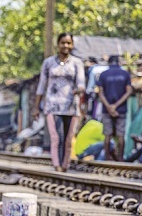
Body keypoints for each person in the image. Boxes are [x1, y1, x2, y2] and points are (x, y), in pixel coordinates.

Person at [34, 33, 85, 172]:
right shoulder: (48, 63)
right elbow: (41, 85)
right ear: (58, 44)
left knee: (68, 139)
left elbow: (81, 83)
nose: (66, 46)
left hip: (71, 106)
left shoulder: (77, 63)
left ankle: (65, 165)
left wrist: (79, 90)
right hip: (52, 105)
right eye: (63, 43)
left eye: (68, 43)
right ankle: (57, 165)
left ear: (72, 45)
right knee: (57, 137)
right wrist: (36, 107)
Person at [97, 55, 133, 161]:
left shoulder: (103, 75)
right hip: (121, 109)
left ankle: (107, 159)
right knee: (120, 135)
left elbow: (100, 93)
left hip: (106, 110)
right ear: (119, 62)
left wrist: (109, 107)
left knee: (107, 134)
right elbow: (129, 91)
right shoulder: (125, 74)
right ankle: (120, 159)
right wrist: (116, 105)